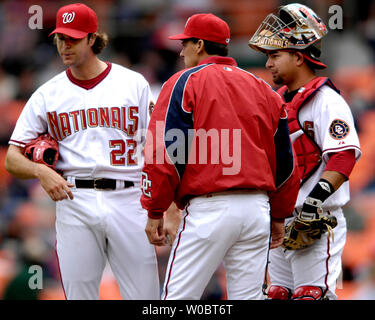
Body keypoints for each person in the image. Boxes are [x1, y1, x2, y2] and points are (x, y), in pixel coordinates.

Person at [5, 3, 159, 300]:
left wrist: (163, 205)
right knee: (79, 296)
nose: (65, 45)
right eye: (61, 38)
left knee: (145, 297)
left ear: (92, 38)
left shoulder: (132, 83)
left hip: (129, 197)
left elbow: (157, 148)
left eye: (73, 38)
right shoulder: (47, 93)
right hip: (74, 198)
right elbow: (12, 157)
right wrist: (41, 171)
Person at [140, 13, 300, 300]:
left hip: (209, 209)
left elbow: (164, 151)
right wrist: (279, 215)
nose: (181, 50)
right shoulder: (264, 88)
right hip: (257, 210)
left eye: (185, 43)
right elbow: (286, 162)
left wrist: (155, 209)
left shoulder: (182, 82)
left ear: (199, 45)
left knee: (176, 300)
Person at [249, 3, 361, 300]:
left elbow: (343, 155)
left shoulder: (327, 101)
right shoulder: (276, 102)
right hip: (280, 221)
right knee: (276, 294)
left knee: (311, 295)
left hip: (316, 220)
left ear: (298, 57)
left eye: (275, 55)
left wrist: (314, 201)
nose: (269, 64)